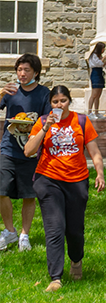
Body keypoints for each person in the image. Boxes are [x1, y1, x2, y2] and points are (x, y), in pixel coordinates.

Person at [24, 85, 105, 292]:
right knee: (55, 228)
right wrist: (45, 128)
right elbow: (28, 151)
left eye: (63, 101)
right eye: (55, 102)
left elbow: (94, 152)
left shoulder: (82, 121)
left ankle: (76, 260)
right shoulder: (43, 122)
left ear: (69, 101)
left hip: (77, 180)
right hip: (48, 179)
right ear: (50, 104)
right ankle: (56, 278)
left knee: (74, 230)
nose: (59, 105)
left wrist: (100, 174)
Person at [0, 53, 51, 252]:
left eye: (26, 70)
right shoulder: (11, 92)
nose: (21, 74)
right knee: (1, 191)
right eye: (19, 70)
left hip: (31, 152)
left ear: (35, 72)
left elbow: (47, 120)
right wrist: (1, 93)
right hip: (8, 149)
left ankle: (24, 235)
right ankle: (10, 231)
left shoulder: (44, 93)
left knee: (29, 195)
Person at [86, 42, 106, 116]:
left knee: (98, 95)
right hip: (95, 74)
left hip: (100, 74)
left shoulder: (99, 56)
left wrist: (105, 62)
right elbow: (97, 64)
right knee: (94, 94)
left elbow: (101, 65)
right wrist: (104, 59)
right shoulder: (94, 55)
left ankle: (96, 111)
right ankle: (90, 111)